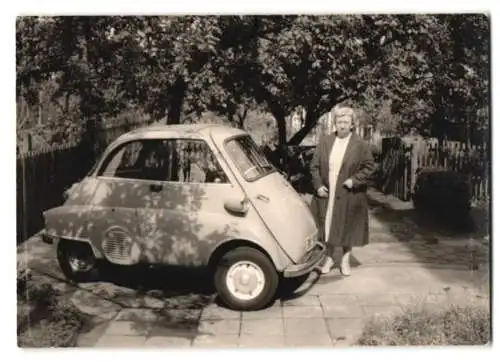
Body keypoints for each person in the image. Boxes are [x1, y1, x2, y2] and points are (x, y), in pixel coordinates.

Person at [309, 105, 376, 276]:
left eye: (346, 122)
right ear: (335, 123)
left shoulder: (360, 145)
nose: (343, 125)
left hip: (349, 192)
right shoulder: (325, 141)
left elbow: (369, 167)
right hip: (328, 190)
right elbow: (314, 166)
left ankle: (345, 260)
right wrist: (318, 185)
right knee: (329, 225)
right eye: (340, 122)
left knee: (348, 225)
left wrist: (354, 180)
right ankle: (330, 258)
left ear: (352, 124)